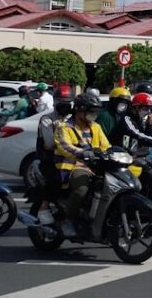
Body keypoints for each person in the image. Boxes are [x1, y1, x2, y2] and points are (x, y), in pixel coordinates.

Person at [53, 92, 112, 237]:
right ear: (80, 110)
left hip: (94, 166)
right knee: (82, 189)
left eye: (95, 112)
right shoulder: (64, 127)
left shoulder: (96, 127)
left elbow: (106, 145)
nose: (94, 115)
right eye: (91, 111)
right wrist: (82, 153)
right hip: (73, 166)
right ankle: (68, 220)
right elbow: (65, 147)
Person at [109, 92, 152, 222]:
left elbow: (145, 138)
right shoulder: (127, 119)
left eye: (149, 109)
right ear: (136, 107)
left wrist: (149, 125)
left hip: (133, 156)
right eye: (145, 108)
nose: (147, 111)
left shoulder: (139, 120)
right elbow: (139, 136)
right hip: (121, 158)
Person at [34, 92, 76, 225]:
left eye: (68, 103)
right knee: (57, 177)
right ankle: (44, 208)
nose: (65, 106)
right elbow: (51, 144)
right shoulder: (47, 119)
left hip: (71, 157)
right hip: (49, 159)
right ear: (55, 102)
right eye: (62, 103)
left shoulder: (72, 118)